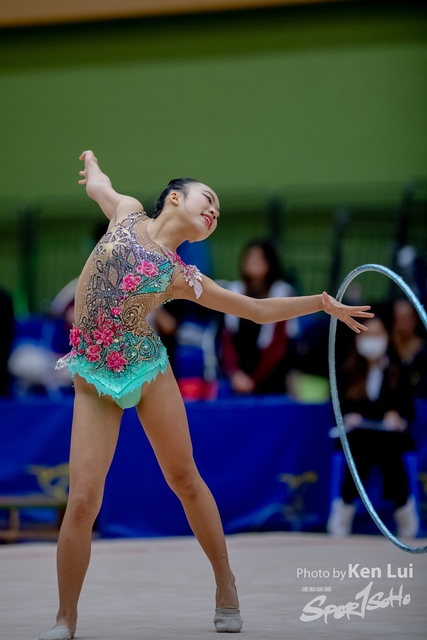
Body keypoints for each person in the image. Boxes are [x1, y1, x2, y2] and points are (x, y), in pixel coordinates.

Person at [40, 150, 372, 640]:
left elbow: (254, 308)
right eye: (208, 198)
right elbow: (100, 188)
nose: (214, 210)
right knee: (84, 500)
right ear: (175, 198)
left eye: (218, 210)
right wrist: (92, 167)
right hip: (94, 378)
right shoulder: (127, 213)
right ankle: (65, 619)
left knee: (185, 480)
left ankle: (225, 581)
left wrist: (319, 304)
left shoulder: (182, 276)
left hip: (147, 371)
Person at [327, 311, 419, 538]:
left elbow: (409, 411)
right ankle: (345, 510)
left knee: (387, 448)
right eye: (366, 335)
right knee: (362, 446)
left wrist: (398, 418)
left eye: (377, 334)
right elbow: (336, 410)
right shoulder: (347, 371)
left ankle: (403, 511)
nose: (372, 341)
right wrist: (348, 418)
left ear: (387, 336)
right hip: (357, 437)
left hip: (390, 438)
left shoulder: (398, 371)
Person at [220, 240, 295, 395]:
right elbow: (227, 339)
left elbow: (279, 345)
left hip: (271, 374)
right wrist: (235, 373)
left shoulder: (282, 293)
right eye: (249, 257)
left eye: (259, 258)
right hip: (239, 374)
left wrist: (254, 379)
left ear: (270, 263)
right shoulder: (234, 291)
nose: (253, 262)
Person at [392, 298, 427, 399]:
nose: (401, 323)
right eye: (398, 318)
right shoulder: (389, 348)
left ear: (415, 319)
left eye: (405, 318)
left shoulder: (423, 349)